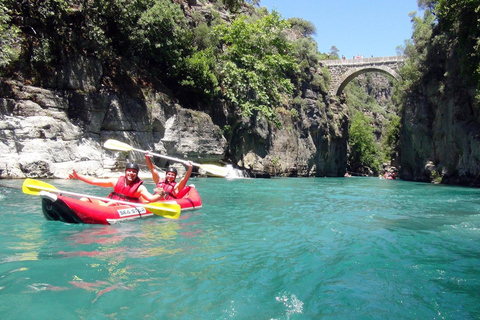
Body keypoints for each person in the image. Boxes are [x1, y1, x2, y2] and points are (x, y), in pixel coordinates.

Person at [69, 163, 164, 206]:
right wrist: (77, 176)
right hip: (110, 203)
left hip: (125, 206)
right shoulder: (116, 181)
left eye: (134, 172)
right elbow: (94, 180)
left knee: (113, 203)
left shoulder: (140, 188)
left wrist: (160, 194)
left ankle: (103, 209)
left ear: (137, 174)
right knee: (84, 199)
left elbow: (151, 199)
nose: (131, 173)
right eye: (129, 171)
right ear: (125, 172)